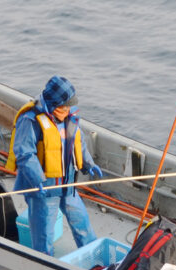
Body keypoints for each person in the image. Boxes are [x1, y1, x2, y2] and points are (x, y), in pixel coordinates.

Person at [6, 75, 104, 255]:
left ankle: (95, 259)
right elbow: (25, 154)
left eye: (69, 105)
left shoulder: (70, 118)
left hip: (68, 185)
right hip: (45, 189)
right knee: (43, 233)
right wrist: (37, 180)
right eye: (64, 106)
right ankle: (44, 263)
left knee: (82, 222)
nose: (67, 109)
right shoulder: (31, 120)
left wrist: (89, 164)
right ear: (53, 104)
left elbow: (78, 143)